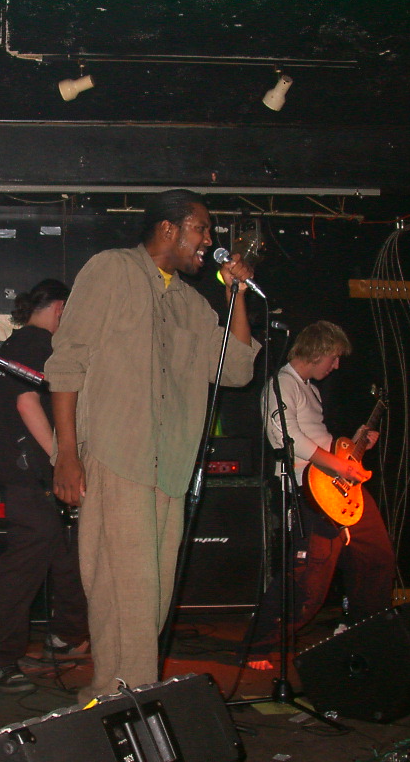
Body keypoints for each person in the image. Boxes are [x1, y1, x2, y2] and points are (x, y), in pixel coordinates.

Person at [45, 189, 261, 703]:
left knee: (152, 594)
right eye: (201, 228)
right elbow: (67, 362)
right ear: (169, 228)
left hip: (170, 468)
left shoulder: (191, 303)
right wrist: (67, 454)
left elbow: (235, 369)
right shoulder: (112, 270)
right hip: (117, 453)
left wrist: (236, 296)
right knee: (123, 588)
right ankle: (130, 696)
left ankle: (119, 692)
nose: (208, 240)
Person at [244, 320, 395, 670]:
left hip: (336, 486)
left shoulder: (309, 389)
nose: (336, 365)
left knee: (376, 557)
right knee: (308, 580)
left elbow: (319, 439)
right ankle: (257, 645)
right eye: (334, 357)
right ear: (318, 351)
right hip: (308, 490)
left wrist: (356, 444)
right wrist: (339, 466)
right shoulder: (281, 384)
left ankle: (361, 628)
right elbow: (286, 437)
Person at [0, 279, 89, 693]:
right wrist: (62, 458)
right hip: (31, 474)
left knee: (67, 552)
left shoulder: (18, 344)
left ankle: (67, 634)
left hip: (29, 473)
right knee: (23, 566)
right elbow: (27, 402)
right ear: (61, 308)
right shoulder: (36, 344)